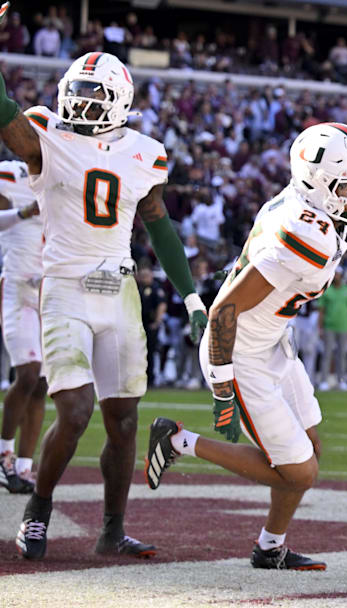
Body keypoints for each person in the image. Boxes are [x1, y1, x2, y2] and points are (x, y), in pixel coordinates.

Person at [144, 122, 347, 570]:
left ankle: (270, 546)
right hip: (242, 353)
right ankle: (179, 440)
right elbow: (223, 313)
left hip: (274, 341)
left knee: (311, 447)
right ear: (320, 183)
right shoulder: (306, 232)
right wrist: (222, 388)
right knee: (300, 471)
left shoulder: (306, 208)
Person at [0, 51, 208, 560]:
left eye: (94, 92)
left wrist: (192, 295)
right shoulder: (46, 132)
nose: (81, 100)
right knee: (73, 411)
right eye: (78, 90)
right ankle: (37, 512)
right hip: (65, 287)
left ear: (120, 100)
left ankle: (112, 530)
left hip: (119, 291)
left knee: (124, 421)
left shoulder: (146, 152)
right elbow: (4, 110)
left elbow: (158, 221)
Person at [0, 160, 45, 494]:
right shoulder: (11, 173)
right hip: (17, 285)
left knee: (42, 384)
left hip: (51, 289)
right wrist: (24, 213)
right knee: (27, 374)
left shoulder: (66, 173)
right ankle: (3, 453)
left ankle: (25, 467)